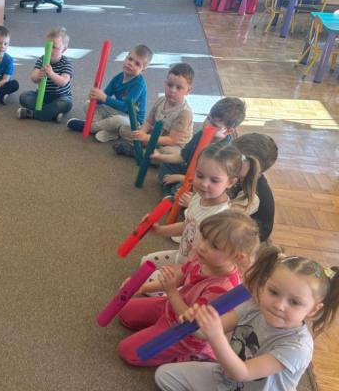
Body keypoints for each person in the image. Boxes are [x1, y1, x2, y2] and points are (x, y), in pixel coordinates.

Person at [155, 246, 339, 391]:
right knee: (164, 376)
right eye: (274, 292)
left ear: (313, 310)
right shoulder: (254, 307)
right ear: (265, 285)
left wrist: (216, 336)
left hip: (239, 375)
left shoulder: (298, 347)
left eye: (295, 302)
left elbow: (243, 372)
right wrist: (195, 321)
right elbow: (205, 333)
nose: (279, 305)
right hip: (227, 378)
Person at [117, 210, 260, 366]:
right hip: (172, 308)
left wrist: (171, 292)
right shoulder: (202, 258)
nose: (202, 246)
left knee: (128, 352)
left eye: (214, 245)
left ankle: (191, 355)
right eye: (204, 237)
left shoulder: (223, 289)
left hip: (184, 334)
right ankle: (157, 328)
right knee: (124, 312)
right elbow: (178, 278)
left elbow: (191, 323)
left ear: (237, 257)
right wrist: (144, 287)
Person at [142, 144, 260, 270]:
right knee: (145, 262)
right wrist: (160, 230)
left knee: (151, 278)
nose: (204, 184)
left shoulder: (221, 217)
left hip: (196, 270)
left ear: (230, 182)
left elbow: (216, 261)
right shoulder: (198, 197)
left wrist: (182, 273)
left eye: (214, 180)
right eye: (200, 175)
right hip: (182, 257)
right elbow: (187, 225)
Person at [152, 97, 246, 197]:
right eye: (208, 118)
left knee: (185, 190)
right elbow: (183, 157)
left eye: (214, 125)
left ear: (228, 131)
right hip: (189, 170)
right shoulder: (201, 134)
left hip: (204, 181)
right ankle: (172, 190)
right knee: (167, 164)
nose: (207, 125)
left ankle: (172, 192)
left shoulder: (224, 152)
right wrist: (160, 157)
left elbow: (211, 180)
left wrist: (180, 178)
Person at [66, 44, 152, 136]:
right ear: (126, 57)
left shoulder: (139, 84)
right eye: (130, 59)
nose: (131, 64)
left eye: (137, 64)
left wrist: (104, 98)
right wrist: (95, 97)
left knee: (117, 120)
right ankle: (108, 131)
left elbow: (125, 107)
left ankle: (90, 127)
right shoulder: (117, 78)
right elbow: (103, 98)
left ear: (143, 69)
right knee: (88, 104)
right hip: (117, 111)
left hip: (132, 119)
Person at [113, 63, 195, 157]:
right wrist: (141, 133)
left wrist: (146, 138)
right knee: (125, 129)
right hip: (155, 135)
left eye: (179, 88)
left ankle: (138, 152)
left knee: (168, 153)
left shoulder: (184, 113)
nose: (172, 90)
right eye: (170, 85)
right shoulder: (161, 100)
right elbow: (149, 121)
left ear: (188, 90)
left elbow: (172, 140)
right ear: (165, 83)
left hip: (173, 145)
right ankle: (144, 149)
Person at [17, 27, 73, 123]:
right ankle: (51, 114)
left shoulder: (66, 62)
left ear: (64, 49)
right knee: (24, 96)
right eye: (48, 46)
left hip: (60, 96)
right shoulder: (42, 59)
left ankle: (32, 113)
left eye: (54, 47)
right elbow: (33, 78)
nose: (50, 50)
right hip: (42, 95)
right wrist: (38, 76)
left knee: (66, 103)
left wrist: (51, 74)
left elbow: (63, 82)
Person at [230, 133, 277, 243]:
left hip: (246, 240)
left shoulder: (253, 194)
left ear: (254, 166)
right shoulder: (242, 175)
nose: (229, 161)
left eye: (237, 159)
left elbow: (223, 216)